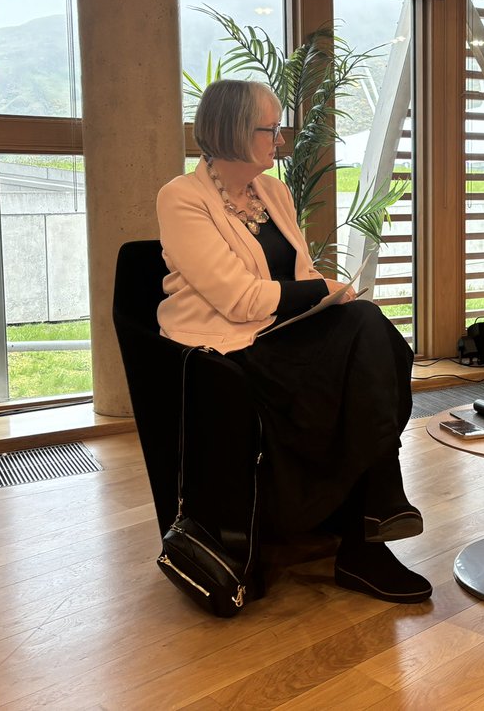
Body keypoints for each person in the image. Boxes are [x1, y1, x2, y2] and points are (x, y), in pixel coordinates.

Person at [156, 79, 431, 603]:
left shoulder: (273, 193)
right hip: (227, 349)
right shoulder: (182, 198)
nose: (281, 139)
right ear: (236, 130)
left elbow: (298, 274)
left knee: (371, 332)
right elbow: (237, 300)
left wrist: (325, 299)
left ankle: (370, 525)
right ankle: (370, 528)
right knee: (371, 342)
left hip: (282, 334)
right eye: (271, 127)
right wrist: (323, 290)